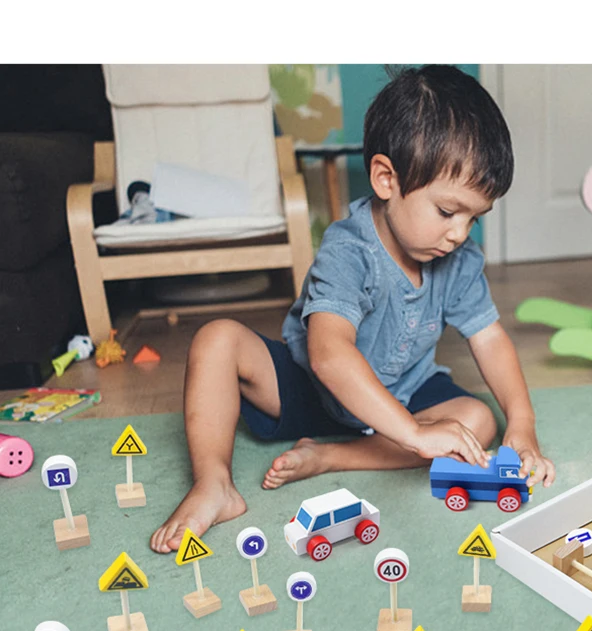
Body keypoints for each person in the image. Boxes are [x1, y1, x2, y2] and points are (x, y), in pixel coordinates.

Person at [150, 64, 555, 554]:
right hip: (310, 388)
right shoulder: (349, 249)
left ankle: (333, 457)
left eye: (475, 217)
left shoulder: (459, 258)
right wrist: (414, 434)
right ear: (386, 179)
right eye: (448, 212)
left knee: (478, 420)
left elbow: (488, 337)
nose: (459, 233)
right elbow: (328, 355)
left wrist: (522, 424)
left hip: (402, 390)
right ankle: (213, 483)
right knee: (216, 338)